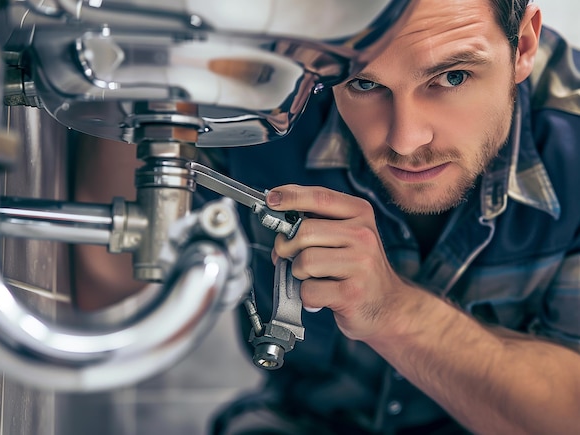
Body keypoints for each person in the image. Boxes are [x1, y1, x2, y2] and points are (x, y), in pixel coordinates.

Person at [204, 0, 580, 433]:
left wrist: (393, 311)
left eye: (452, 77)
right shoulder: (270, 99)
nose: (406, 141)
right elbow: (112, 279)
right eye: (363, 84)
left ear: (524, 45)